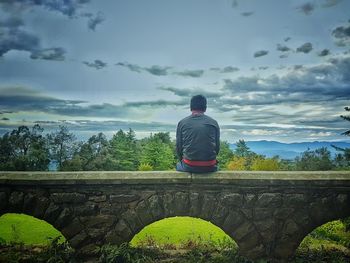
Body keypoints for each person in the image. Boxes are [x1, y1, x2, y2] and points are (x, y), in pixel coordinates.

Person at [176, 94, 220, 173]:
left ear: (191, 107)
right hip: (210, 166)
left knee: (178, 165)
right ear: (205, 108)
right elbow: (217, 148)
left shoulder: (182, 123)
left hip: (189, 165)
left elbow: (179, 148)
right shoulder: (213, 122)